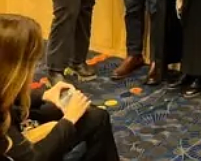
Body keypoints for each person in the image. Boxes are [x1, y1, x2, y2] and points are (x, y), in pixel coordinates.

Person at [0, 14, 120, 161]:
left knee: (94, 115)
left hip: (13, 120)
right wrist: (69, 120)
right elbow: (33, 158)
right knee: (92, 118)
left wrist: (44, 95)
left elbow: (6, 95)